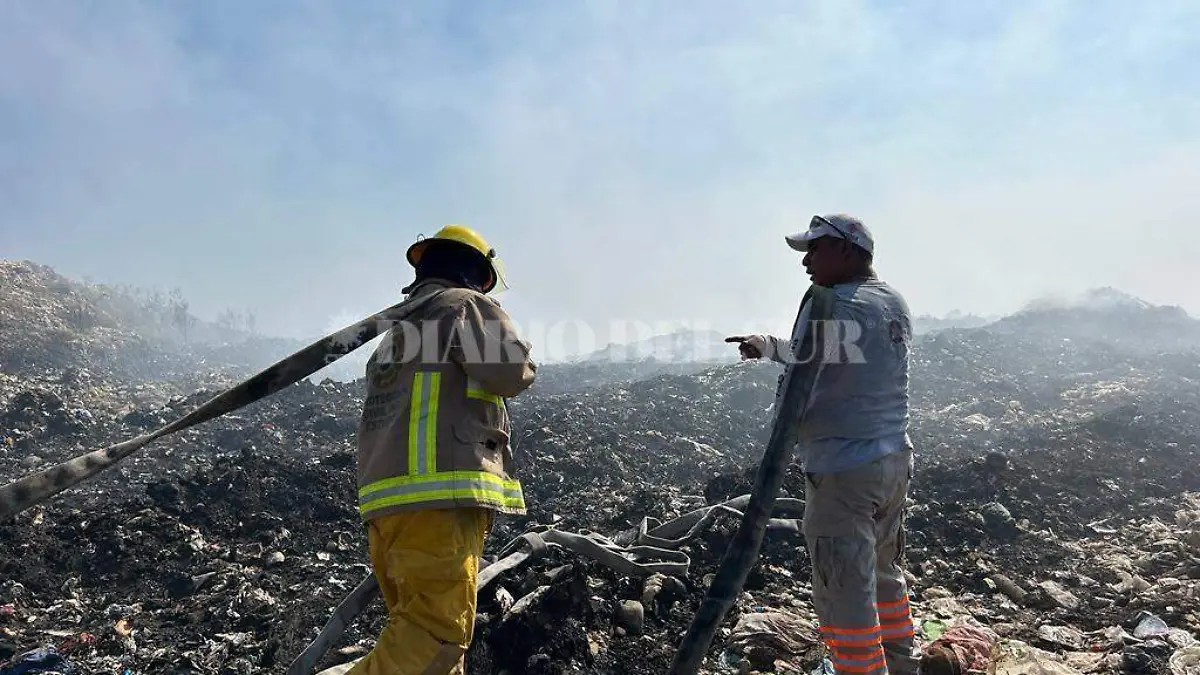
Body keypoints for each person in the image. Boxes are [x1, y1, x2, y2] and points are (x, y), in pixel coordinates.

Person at [726, 214, 918, 675]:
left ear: (848, 251)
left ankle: (859, 670)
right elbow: (826, 350)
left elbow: (799, 385)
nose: (807, 261)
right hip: (892, 459)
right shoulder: (890, 301)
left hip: (842, 469)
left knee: (843, 589)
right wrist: (768, 344)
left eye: (816, 250)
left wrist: (777, 450)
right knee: (884, 574)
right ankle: (900, 664)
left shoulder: (828, 303)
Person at [348, 224, 537, 675]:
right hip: (438, 501)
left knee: (419, 643)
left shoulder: (397, 332)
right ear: (476, 273)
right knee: (437, 639)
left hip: (389, 509)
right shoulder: (464, 306)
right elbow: (513, 372)